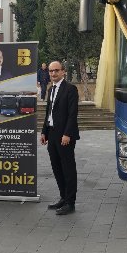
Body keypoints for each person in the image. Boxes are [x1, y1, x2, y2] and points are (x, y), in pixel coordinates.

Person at [40, 61, 79, 215]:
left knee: (68, 169)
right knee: (56, 167)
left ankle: (70, 202)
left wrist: (67, 134)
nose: (53, 74)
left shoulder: (70, 89)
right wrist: (44, 132)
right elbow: (48, 112)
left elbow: (72, 114)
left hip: (65, 135)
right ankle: (63, 197)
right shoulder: (51, 89)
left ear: (63, 72)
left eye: (56, 70)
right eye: (50, 71)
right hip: (52, 133)